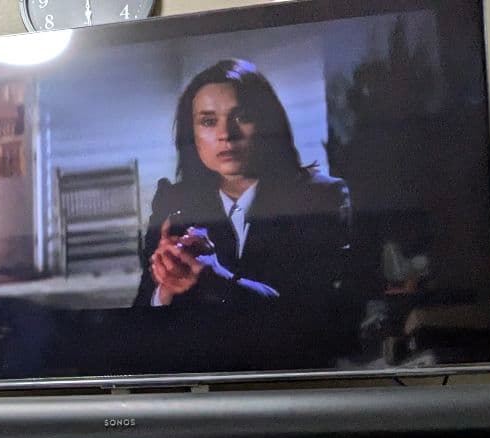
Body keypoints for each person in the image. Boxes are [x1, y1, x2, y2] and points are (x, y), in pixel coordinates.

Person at [133, 59, 351, 310]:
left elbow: (319, 309)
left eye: (242, 117)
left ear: (268, 123)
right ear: (191, 134)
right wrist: (165, 289)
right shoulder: (172, 204)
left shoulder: (321, 196)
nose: (226, 134)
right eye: (208, 121)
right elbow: (141, 310)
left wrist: (218, 279)